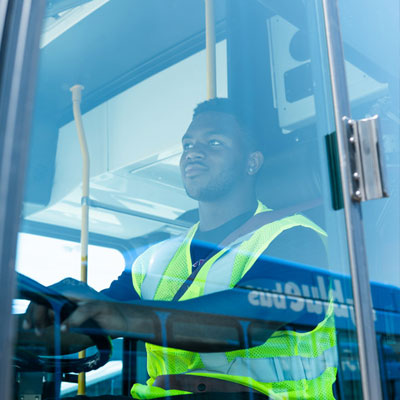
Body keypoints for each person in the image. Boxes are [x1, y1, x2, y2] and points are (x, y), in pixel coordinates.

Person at [23, 98, 336, 400]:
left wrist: (115, 315)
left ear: (251, 162)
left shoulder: (296, 239)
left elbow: (250, 318)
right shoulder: (156, 259)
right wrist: (45, 318)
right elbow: (85, 325)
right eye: (188, 145)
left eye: (214, 143)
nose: (193, 153)